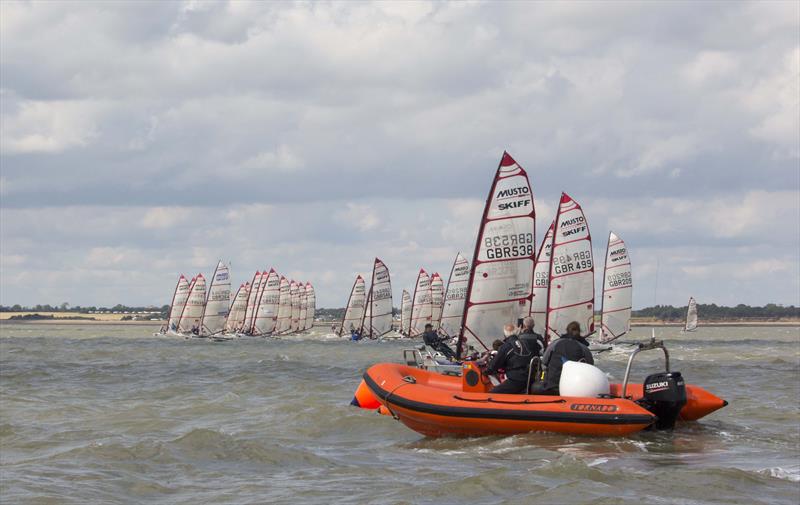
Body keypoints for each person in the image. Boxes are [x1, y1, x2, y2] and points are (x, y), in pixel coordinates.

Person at [534, 321, 593, 395]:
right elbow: (590, 367)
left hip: (553, 386)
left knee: (537, 384)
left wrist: (543, 377)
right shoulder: (584, 348)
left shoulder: (555, 344)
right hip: (574, 389)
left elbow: (544, 362)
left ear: (567, 330)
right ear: (579, 331)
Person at [484, 323, 541, 394]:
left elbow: (493, 366)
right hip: (530, 379)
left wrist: (486, 371)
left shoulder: (506, 346)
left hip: (516, 381)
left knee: (491, 394)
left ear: (505, 334)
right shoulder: (525, 343)